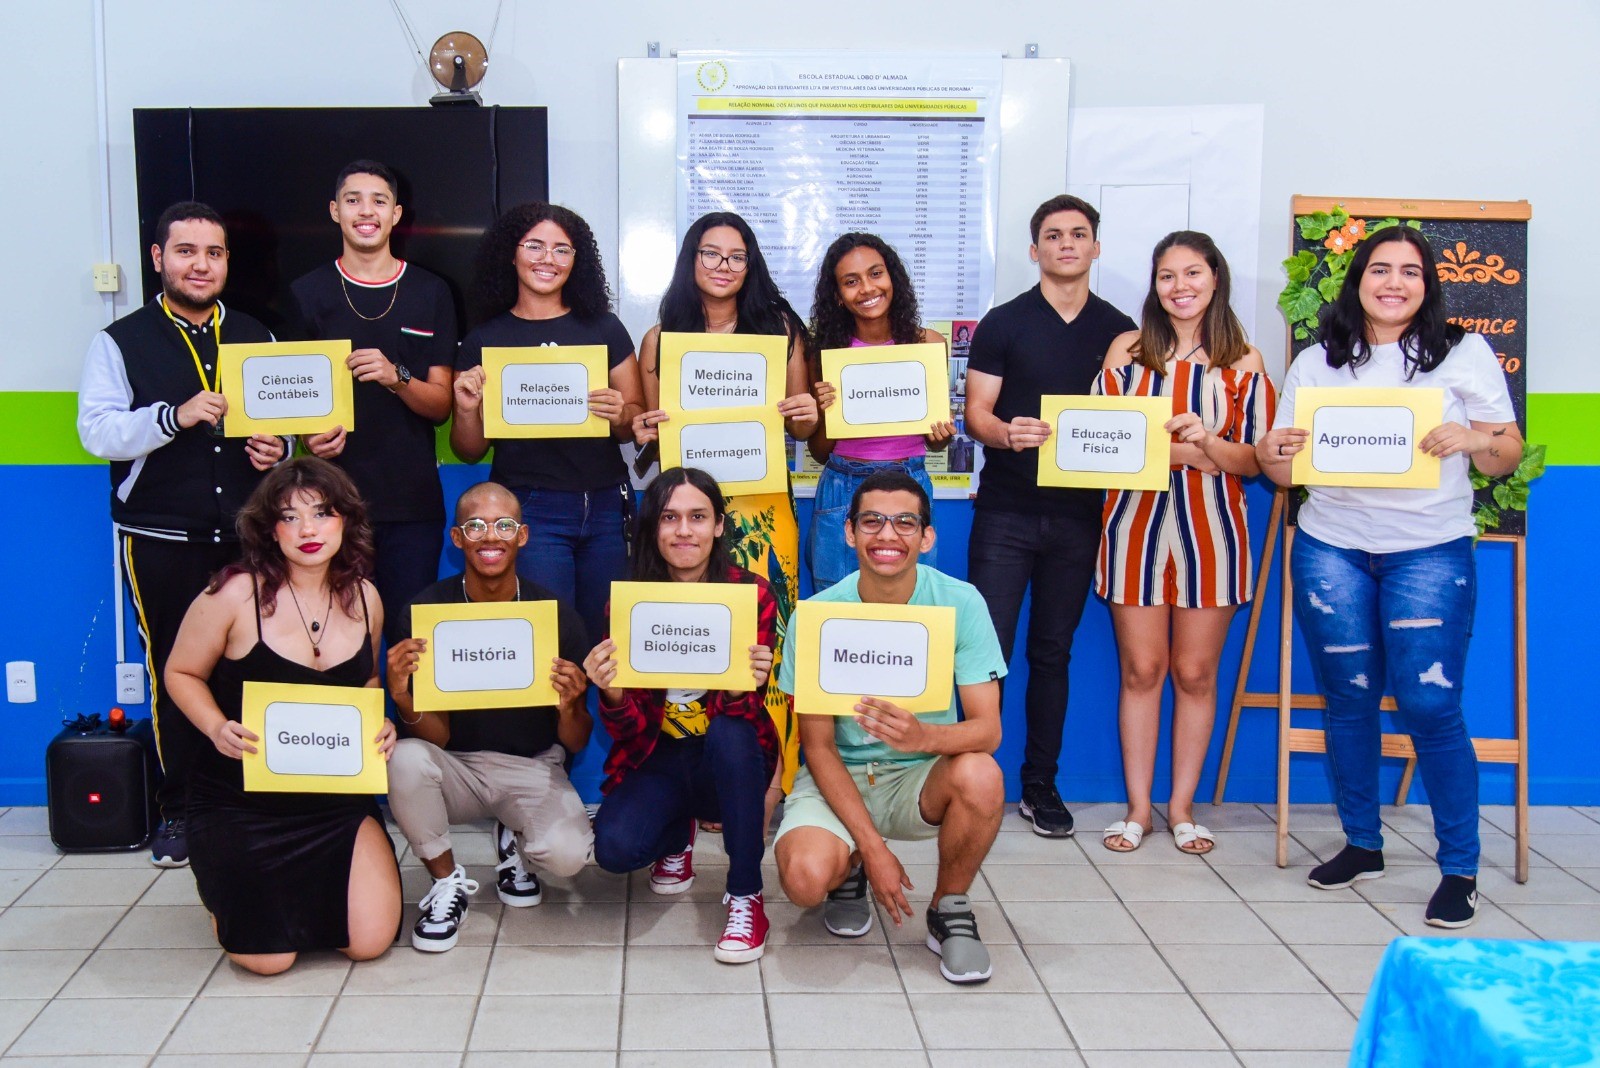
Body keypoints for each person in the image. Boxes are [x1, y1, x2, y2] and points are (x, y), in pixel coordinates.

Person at [1257, 225, 1520, 928]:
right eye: (1380, 269)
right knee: (1348, 699)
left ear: (1427, 285)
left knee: (1431, 707)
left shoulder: (1462, 352)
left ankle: (1459, 869)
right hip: (1332, 548)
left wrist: (1477, 439)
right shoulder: (1317, 361)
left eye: (1410, 271)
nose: (1394, 283)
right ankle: (1362, 845)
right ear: (1358, 280)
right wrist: (1272, 451)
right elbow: (1282, 472)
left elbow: (1506, 452)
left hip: (1429, 550)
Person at [76, 200, 287, 867]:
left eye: (213, 253)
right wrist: (173, 415)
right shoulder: (119, 341)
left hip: (250, 537)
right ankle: (182, 809)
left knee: (255, 668)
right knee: (175, 668)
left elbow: (286, 423)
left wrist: (277, 449)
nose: (201, 265)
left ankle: (253, 798)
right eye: (186, 251)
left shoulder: (257, 335)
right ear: (158, 258)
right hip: (160, 535)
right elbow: (97, 432)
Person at [163, 457, 400, 975]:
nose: (308, 530)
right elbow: (180, 672)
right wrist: (215, 727)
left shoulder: (367, 598)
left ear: (346, 521)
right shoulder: (233, 593)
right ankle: (227, 891)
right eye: (290, 517)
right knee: (268, 960)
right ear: (270, 530)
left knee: (369, 943)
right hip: (240, 800)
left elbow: (366, 681)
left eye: (322, 513)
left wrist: (379, 725)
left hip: (334, 802)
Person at [774, 469, 1008, 985]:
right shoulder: (816, 615)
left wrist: (925, 738)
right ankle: (852, 864)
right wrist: (875, 849)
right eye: (872, 521)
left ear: (927, 537)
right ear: (849, 532)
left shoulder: (961, 602)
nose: (888, 534)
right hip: (840, 775)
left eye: (905, 522)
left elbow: (988, 731)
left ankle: (949, 908)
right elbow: (817, 747)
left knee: (982, 774)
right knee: (804, 881)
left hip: (919, 776)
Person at [1094, 231, 1275, 854]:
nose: (1180, 287)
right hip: (1133, 526)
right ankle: (1138, 809)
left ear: (1215, 278)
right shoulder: (1126, 350)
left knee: (1195, 673)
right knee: (1141, 669)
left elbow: (1254, 461)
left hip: (1214, 531)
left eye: (1192, 273)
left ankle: (1181, 808)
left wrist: (1208, 446)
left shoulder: (1244, 360)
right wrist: (1193, 454)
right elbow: (1100, 446)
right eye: (1167, 276)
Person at [962, 195, 1137, 837]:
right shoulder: (1003, 322)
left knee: (1052, 653)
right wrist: (1005, 434)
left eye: (1079, 234)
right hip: (1005, 513)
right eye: (1054, 235)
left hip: (1080, 517)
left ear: (1096, 247)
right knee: (987, 653)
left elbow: (1133, 421)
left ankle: (1040, 785)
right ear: (1035, 250)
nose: (1067, 244)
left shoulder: (1122, 332)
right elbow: (976, 414)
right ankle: (972, 780)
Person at [631, 211, 819, 798]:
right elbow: (652, 438)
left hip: (764, 511)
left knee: (767, 642)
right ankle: (702, 781)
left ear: (750, 265)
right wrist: (644, 428)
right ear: (691, 260)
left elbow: (803, 425)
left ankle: (770, 782)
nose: (723, 266)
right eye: (711, 254)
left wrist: (807, 414)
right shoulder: (660, 340)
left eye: (736, 256)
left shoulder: (780, 331)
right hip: (688, 516)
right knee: (693, 637)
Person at [385, 481, 594, 952]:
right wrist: (400, 694)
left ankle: (514, 840)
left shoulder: (556, 617)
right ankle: (447, 883)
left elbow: (578, 741)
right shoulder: (425, 613)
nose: (490, 536)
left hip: (532, 764)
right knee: (404, 758)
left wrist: (571, 705)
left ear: (523, 535)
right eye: (476, 526)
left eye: (504, 525)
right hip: (455, 767)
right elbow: (435, 738)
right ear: (457, 538)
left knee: (567, 857)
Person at [585, 467, 781, 963]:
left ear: (719, 525)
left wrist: (742, 683)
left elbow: (744, 714)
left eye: (698, 517)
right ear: (653, 527)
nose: (684, 531)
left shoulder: (752, 594)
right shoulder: (628, 602)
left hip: (729, 757)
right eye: (669, 518)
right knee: (614, 850)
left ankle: (746, 894)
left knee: (731, 733)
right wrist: (612, 694)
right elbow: (627, 732)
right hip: (658, 754)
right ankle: (677, 834)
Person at [451, 202, 646, 647]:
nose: (548, 259)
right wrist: (465, 409)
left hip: (605, 505)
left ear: (576, 261)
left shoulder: (604, 328)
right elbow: (470, 450)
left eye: (562, 249)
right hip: (529, 508)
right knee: (549, 641)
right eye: (535, 246)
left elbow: (632, 421)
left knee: (609, 642)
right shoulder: (485, 339)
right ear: (512, 253)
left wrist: (621, 413)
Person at [289, 160, 458, 640]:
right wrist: (308, 436)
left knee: (408, 643)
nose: (366, 211)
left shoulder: (431, 292)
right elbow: (292, 397)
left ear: (396, 214)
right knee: (336, 640)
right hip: (329, 504)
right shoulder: (306, 293)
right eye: (353, 200)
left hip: (411, 506)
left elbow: (441, 406)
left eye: (379, 201)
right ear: (335, 211)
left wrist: (395, 376)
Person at [805, 233, 955, 590]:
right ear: (837, 295)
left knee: (910, 600)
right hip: (842, 485)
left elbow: (935, 443)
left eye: (875, 274)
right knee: (836, 601)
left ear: (893, 278)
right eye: (851, 281)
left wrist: (941, 435)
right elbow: (819, 451)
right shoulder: (825, 352)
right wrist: (824, 412)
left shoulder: (928, 345)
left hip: (909, 481)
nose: (867, 288)